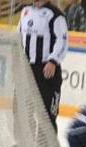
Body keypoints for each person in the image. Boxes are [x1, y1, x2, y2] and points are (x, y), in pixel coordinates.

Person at [19, 0, 68, 130]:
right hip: (27, 69)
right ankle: (23, 143)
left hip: (46, 71)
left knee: (46, 114)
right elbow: (19, 36)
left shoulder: (56, 15)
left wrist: (53, 61)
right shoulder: (25, 11)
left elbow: (62, 41)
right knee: (23, 110)